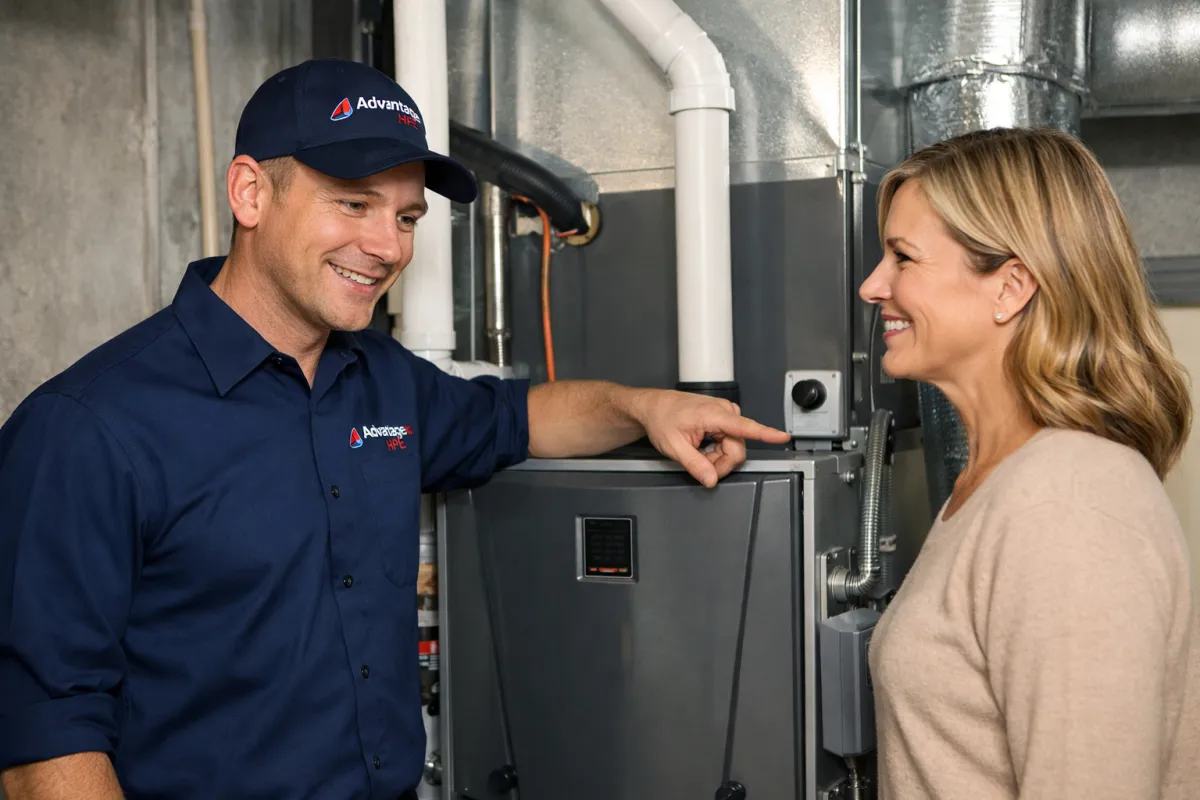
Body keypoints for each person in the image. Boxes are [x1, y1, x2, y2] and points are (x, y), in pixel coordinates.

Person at [0, 58, 790, 799]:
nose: (387, 247)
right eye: (353, 203)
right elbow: (47, 737)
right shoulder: (86, 429)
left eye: (406, 215)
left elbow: (518, 419)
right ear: (250, 194)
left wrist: (646, 407)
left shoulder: (381, 380)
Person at [860, 126, 1200, 799]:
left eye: (903, 257)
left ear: (1011, 287)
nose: (873, 287)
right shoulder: (999, 487)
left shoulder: (1065, 504)